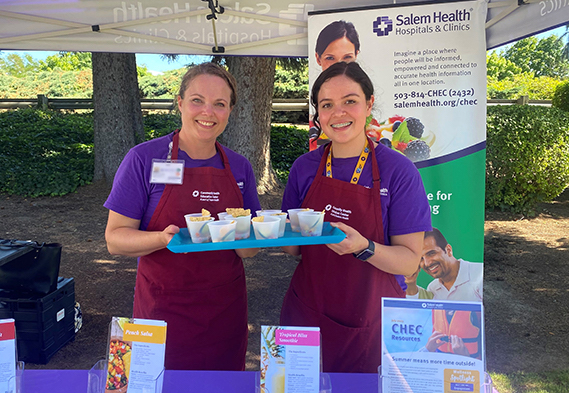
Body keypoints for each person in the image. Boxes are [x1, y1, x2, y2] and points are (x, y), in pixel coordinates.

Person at [104, 63, 261, 371]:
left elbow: (249, 251)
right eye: (197, 100)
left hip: (224, 313)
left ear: (230, 110)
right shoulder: (143, 159)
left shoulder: (240, 168)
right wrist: (161, 239)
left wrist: (244, 233)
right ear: (179, 103)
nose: (208, 112)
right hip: (162, 309)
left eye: (220, 104)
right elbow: (115, 239)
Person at [280, 62, 432, 373]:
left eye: (350, 101)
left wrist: (363, 246)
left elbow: (409, 261)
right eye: (327, 105)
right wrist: (275, 232)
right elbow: (292, 250)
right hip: (306, 313)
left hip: (370, 320)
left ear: (369, 104)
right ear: (318, 115)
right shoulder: (304, 168)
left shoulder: (398, 171)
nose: (338, 113)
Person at [310, 20, 361, 150]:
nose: (339, 65)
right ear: (317, 58)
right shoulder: (306, 166)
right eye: (330, 58)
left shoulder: (396, 166)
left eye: (347, 58)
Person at [405, 228, 483, 302]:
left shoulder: (480, 275)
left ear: (448, 250)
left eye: (431, 253)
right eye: (421, 259)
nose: (427, 263)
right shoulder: (433, 288)